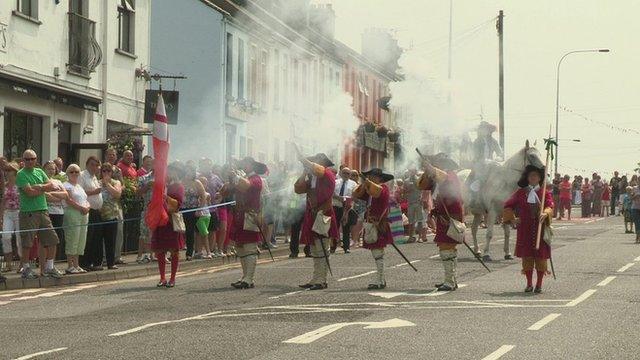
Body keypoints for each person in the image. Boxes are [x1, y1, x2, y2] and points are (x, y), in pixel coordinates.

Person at [503, 165, 554, 294]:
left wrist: (546, 213)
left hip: (540, 229)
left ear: (539, 178)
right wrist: (513, 218)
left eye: (536, 176)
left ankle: (539, 284)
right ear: (527, 178)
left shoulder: (544, 193)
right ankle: (529, 284)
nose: (533, 178)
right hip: (525, 229)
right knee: (527, 257)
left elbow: (550, 205)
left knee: (540, 258)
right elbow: (508, 205)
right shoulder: (521, 193)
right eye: (531, 176)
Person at [417, 153, 464, 291]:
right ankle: (451, 280)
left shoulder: (449, 176)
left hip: (449, 217)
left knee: (446, 248)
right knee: (449, 249)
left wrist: (431, 168)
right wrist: (428, 169)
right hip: (444, 216)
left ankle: (449, 281)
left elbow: (443, 178)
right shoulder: (440, 178)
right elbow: (421, 185)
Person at [16, 150, 63, 279]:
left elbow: (51, 185)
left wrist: (39, 187)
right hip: (28, 212)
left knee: (52, 239)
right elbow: (29, 192)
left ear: (36, 159)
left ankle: (49, 267)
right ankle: (26, 268)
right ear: (23, 160)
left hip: (43, 210)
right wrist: (43, 189)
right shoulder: (21, 174)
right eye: (27, 159)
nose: (30, 161)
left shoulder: (40, 172)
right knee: (28, 242)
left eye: (33, 159)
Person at [295, 153, 338, 291]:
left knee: (322, 248)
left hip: (323, 215)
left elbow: (317, 169)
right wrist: (303, 173)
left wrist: (303, 160)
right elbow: (298, 189)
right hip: (312, 215)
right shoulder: (313, 178)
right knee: (314, 249)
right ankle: (316, 278)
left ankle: (321, 279)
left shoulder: (327, 174)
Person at [227, 157, 267, 289]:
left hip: (250, 216)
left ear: (251, 165)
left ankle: (249, 279)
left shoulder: (256, 179)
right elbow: (231, 188)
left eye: (246, 163)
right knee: (240, 247)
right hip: (240, 215)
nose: (243, 165)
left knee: (249, 247)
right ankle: (245, 276)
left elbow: (245, 186)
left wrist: (236, 177)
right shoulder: (245, 178)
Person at [353, 168, 394, 289]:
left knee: (378, 253)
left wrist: (367, 182)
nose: (370, 178)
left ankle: (380, 280)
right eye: (369, 176)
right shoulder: (370, 189)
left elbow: (377, 191)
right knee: (376, 253)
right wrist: (364, 183)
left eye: (372, 176)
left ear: (379, 178)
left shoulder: (383, 188)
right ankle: (381, 279)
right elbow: (356, 194)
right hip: (371, 224)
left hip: (378, 224)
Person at [150, 162, 185, 287]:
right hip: (160, 220)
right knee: (160, 251)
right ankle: (162, 277)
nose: (169, 174)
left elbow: (178, 204)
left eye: (172, 171)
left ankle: (173, 278)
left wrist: (166, 198)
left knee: (174, 250)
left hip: (171, 221)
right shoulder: (161, 185)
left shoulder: (179, 186)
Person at [62, 164, 90, 274]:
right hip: (72, 213)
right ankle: (70, 265)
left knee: (80, 239)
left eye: (76, 172)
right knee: (72, 238)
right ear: (67, 173)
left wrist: (87, 207)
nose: (74, 174)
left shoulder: (79, 187)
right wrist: (81, 208)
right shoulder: (66, 185)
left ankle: (77, 265)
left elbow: (85, 199)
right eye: (71, 172)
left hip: (83, 214)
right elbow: (68, 200)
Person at [79, 156, 103, 270]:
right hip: (87, 210)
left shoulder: (94, 177)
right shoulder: (82, 176)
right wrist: (95, 192)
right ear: (87, 164)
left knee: (96, 237)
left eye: (96, 165)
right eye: (92, 164)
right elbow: (80, 192)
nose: (94, 167)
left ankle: (94, 262)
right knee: (88, 237)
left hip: (97, 211)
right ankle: (84, 263)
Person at [98, 163, 122, 270]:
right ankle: (98, 262)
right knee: (98, 240)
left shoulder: (116, 182)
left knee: (110, 240)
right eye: (104, 171)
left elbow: (117, 194)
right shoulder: (97, 183)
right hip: (99, 215)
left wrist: (107, 184)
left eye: (109, 171)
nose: (106, 173)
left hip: (112, 215)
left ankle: (110, 263)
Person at [181, 163, 208, 260]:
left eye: (190, 170)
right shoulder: (181, 181)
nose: (188, 173)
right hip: (181, 209)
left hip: (192, 210)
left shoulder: (197, 183)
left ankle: (189, 252)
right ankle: (175, 251)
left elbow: (203, 196)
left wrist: (199, 209)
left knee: (189, 231)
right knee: (179, 230)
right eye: (187, 170)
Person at [43, 161, 67, 262]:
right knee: (47, 238)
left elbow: (65, 195)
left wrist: (51, 193)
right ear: (44, 169)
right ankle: (44, 260)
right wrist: (57, 195)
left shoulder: (58, 182)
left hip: (59, 213)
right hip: (47, 212)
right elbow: (44, 196)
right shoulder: (42, 182)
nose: (51, 171)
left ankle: (54, 260)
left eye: (53, 169)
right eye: (49, 168)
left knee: (57, 237)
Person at [331, 166, 357, 254]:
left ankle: (346, 247)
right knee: (334, 227)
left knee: (346, 228)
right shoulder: (335, 182)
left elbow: (354, 196)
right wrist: (339, 198)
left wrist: (345, 199)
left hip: (347, 208)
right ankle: (333, 247)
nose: (346, 175)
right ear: (341, 173)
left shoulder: (353, 184)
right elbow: (331, 194)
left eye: (348, 173)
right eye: (344, 173)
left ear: (350, 175)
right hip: (336, 207)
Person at [1, 163, 21, 273]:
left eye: (9, 170)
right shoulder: (5, 185)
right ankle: (8, 264)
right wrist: (1, 217)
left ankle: (22, 264)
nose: (7, 172)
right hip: (8, 212)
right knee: (6, 237)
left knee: (19, 239)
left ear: (15, 171)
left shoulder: (19, 184)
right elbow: (3, 201)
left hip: (18, 212)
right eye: (6, 170)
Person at [137, 159, 154, 263]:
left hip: (161, 210)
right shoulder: (144, 178)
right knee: (145, 232)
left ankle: (158, 254)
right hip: (147, 209)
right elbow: (137, 193)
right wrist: (147, 186)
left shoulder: (165, 178)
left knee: (158, 233)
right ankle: (146, 254)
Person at [350, 170, 367, 248]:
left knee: (361, 224)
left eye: (357, 176)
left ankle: (360, 240)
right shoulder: (359, 185)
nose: (355, 177)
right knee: (358, 224)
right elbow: (355, 194)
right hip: (358, 205)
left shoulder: (362, 185)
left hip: (363, 205)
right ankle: (355, 240)